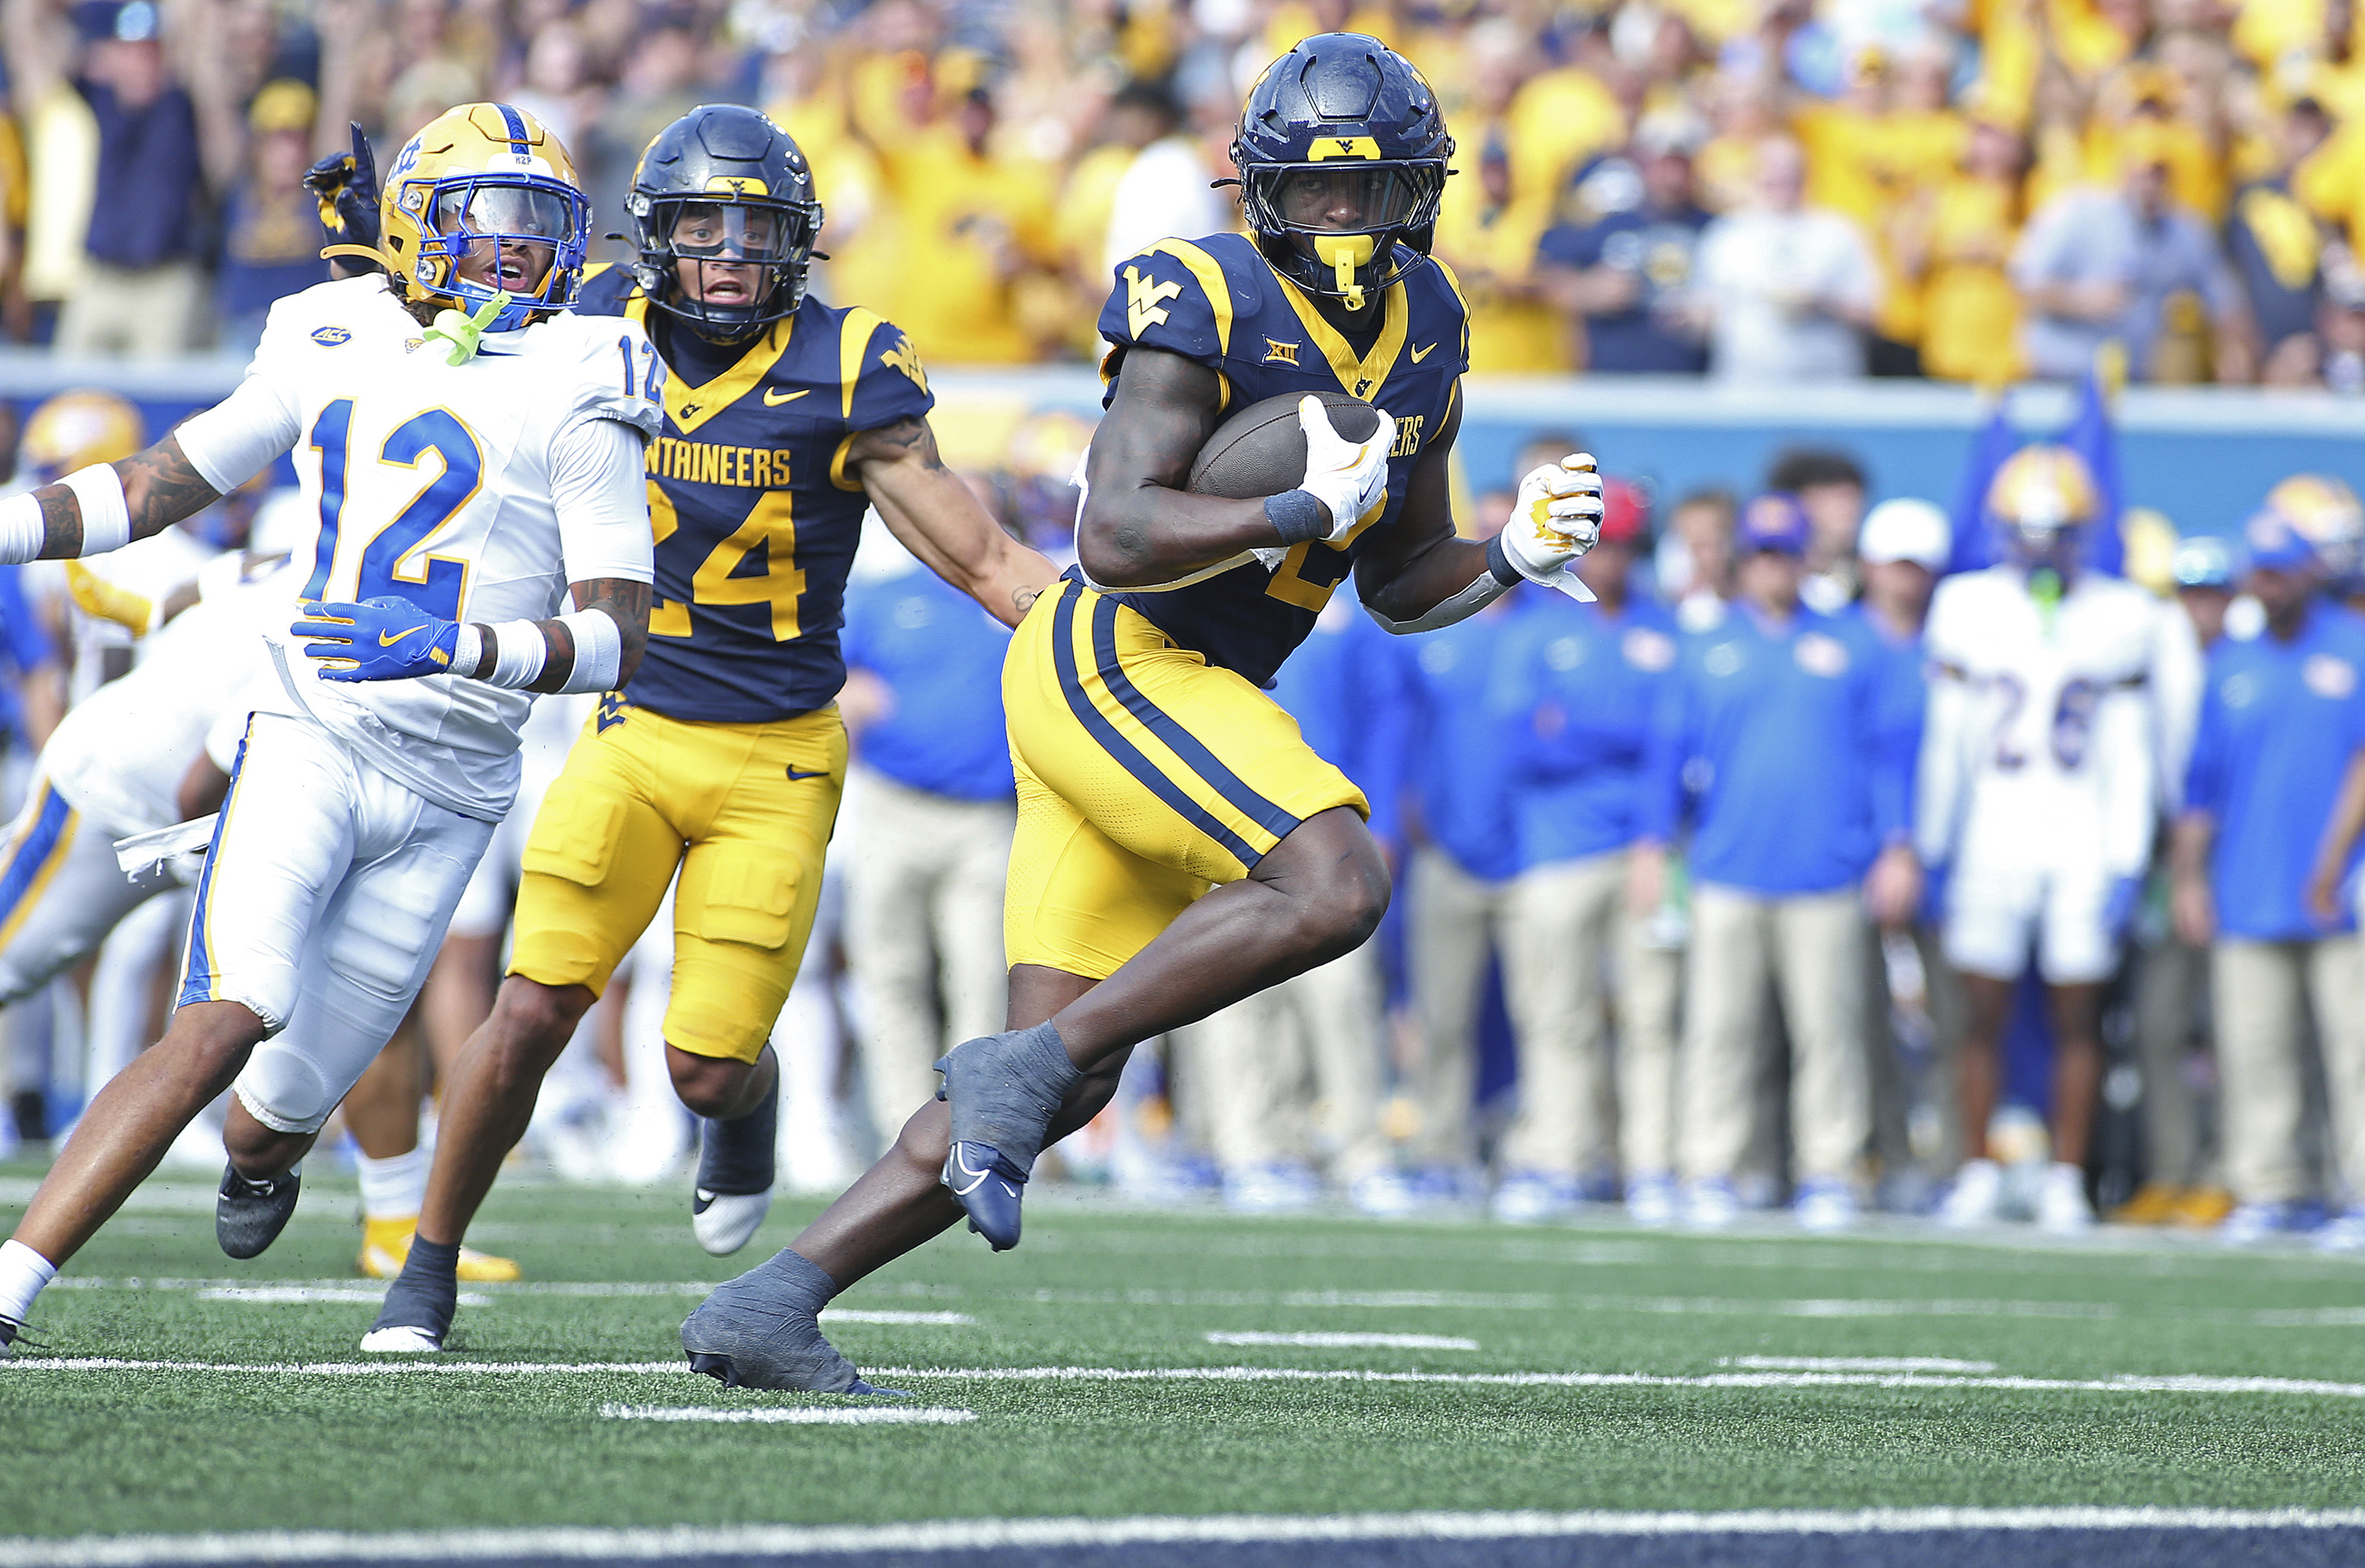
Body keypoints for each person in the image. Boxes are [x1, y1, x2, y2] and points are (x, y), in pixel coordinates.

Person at [677, 33, 1604, 1395]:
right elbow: (1111, 535)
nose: (1343, 218)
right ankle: (1019, 1065)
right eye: (1321, 192)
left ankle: (774, 1300)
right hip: (1115, 651)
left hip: (1197, 679)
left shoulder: (1440, 321)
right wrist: (1290, 509)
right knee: (1335, 879)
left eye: (1371, 192)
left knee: (1073, 1081)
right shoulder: (1202, 289)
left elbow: (1402, 584)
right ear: (1261, 187)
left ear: (1419, 190)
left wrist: (1509, 560)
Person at [361, 104, 1054, 1356]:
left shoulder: (848, 366)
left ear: (794, 245)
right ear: (655, 237)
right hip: (629, 725)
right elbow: (430, 357)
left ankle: (745, 1114)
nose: (729, 249)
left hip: (776, 754)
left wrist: (1091, 639)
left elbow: (984, 556)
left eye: (755, 226)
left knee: (704, 1068)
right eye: (701, 224)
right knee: (528, 1009)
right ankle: (427, 1264)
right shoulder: (594, 341)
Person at [0, 102, 659, 1355]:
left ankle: (265, 1157)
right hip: (309, 728)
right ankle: (11, 1288)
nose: (517, 251)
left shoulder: (590, 371)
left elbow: (620, 636)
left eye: (539, 225)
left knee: (272, 1116)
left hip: (453, 791)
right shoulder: (324, 332)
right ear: (417, 227)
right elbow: (153, 487)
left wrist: (464, 647)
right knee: (229, 1010)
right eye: (487, 222)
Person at [1639, 493, 1919, 1231]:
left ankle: (1829, 1168)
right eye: (1759, 553)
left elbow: (1890, 757)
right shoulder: (1705, 647)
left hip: (1824, 870)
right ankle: (1709, 1166)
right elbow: (1667, 757)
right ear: (1742, 562)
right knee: (1718, 1031)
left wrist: (1895, 846)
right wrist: (1651, 845)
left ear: (1805, 558)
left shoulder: (1856, 645)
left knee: (1828, 1031)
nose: (1772, 567)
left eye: (1783, 552)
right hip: (1726, 867)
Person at [1919, 447, 2160, 1232]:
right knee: (1975, 1016)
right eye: (2026, 532)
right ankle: (1978, 1167)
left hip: (2079, 835)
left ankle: (2065, 1174)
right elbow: (1947, 738)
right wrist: (1934, 840)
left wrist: (2127, 857)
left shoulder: (2123, 614)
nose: (2040, 549)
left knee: (2077, 1018)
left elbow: (2130, 753)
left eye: (2055, 533)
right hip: (1991, 828)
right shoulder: (1963, 605)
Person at [1498, 480, 1683, 1222]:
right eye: (1602, 544)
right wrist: (1618, 739)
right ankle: (1556, 1156)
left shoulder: (1664, 631)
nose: (1612, 561)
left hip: (1645, 850)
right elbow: (1519, 745)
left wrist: (1575, 731)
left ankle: (1651, 1165)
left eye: (1627, 546)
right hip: (1556, 848)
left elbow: (1671, 747)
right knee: (1555, 1014)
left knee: (1652, 1017)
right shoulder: (1535, 631)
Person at [2179, 511, 2365, 1245]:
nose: (2267, 584)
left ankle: (2354, 1190)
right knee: (2255, 1049)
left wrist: (2326, 867)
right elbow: (2200, 788)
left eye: (2278, 570)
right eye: (2256, 572)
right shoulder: (2231, 665)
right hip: (2247, 888)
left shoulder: (2349, 650)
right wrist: (2189, 878)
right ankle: (2269, 1185)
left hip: (2338, 895)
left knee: (2351, 1048)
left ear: (2306, 573)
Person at [839, 503, 1022, 1152]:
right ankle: (903, 1134)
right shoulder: (882, 597)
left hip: (988, 817)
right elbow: (827, 679)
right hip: (894, 807)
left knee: (981, 978)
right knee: (890, 973)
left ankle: (970, 1133)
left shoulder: (1018, 601)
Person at [2118, 534, 2237, 1228]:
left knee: (2233, 1027)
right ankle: (2171, 1167)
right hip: (2164, 856)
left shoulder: (2250, 660)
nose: (2201, 609)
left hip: (2239, 859)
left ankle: (2229, 1167)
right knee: (2158, 1023)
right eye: (2188, 594)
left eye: (2212, 593)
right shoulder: (2153, 657)